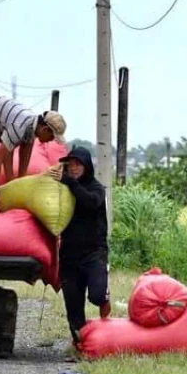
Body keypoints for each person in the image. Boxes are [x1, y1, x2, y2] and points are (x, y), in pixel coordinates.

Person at [0, 94, 66, 210]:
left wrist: (19, 187)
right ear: (44, 129)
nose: (51, 141)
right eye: (52, 137)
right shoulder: (19, 127)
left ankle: (0, 194)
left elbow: (23, 167)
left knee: (11, 148)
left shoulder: (32, 129)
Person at [49, 146, 110, 346]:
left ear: (86, 166)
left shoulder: (96, 188)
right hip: (69, 256)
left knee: (97, 295)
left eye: (78, 164)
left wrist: (72, 185)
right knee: (74, 307)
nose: (74, 168)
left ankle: (105, 302)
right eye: (71, 165)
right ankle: (80, 344)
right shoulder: (62, 187)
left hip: (94, 254)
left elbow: (90, 203)